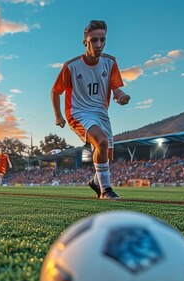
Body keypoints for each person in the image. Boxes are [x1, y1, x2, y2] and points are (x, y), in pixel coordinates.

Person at [51, 20, 130, 200]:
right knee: (101, 142)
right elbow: (56, 91)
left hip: (101, 113)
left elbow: (115, 88)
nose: (99, 44)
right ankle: (105, 190)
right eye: (94, 40)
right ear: (85, 42)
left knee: (105, 153)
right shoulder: (71, 66)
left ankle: (96, 181)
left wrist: (121, 96)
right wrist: (58, 116)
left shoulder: (110, 62)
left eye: (102, 40)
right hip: (78, 112)